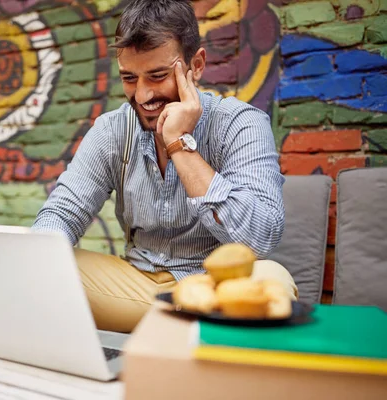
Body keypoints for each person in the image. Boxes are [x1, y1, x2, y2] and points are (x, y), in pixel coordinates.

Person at [32, 0, 296, 333]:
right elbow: (62, 213)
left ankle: (174, 327)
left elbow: (259, 238)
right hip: (133, 288)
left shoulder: (241, 125)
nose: (142, 96)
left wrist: (178, 144)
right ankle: (181, 325)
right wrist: (38, 265)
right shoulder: (113, 130)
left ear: (195, 66)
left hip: (212, 288)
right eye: (129, 78)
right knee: (42, 262)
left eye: (158, 76)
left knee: (273, 280)